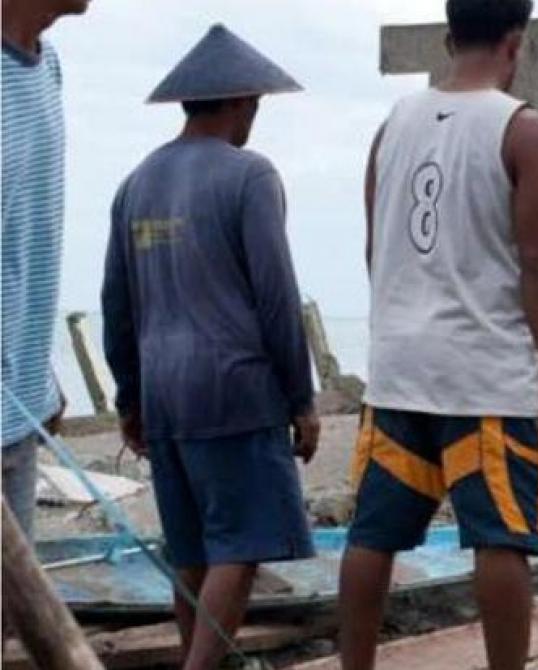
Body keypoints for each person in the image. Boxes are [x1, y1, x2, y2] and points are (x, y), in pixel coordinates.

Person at [338, 1, 538, 668]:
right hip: (484, 370)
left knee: (372, 536)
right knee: (500, 537)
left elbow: (373, 248)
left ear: (448, 38)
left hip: (398, 368)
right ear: (516, 43)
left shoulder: (392, 126)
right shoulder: (524, 129)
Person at [101, 25, 318, 670]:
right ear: (240, 102)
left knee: (191, 551)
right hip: (235, 389)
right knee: (240, 548)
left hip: (166, 395)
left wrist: (129, 397)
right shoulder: (251, 175)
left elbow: (117, 303)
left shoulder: (136, 183)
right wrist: (301, 400)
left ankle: (194, 659)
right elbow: (277, 297)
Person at [1, 0, 89, 538]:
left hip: (19, 409)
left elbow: (25, 238)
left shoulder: (47, 65)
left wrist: (42, 377)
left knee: (11, 614)